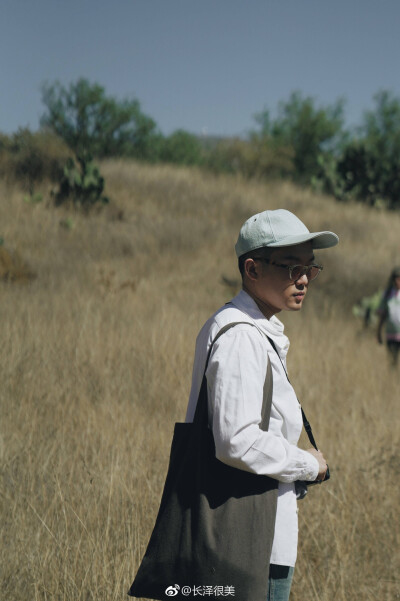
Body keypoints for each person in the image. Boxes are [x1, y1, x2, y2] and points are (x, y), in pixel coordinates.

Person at [185, 209, 339, 601]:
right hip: (248, 543)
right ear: (252, 269)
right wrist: (309, 465)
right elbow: (236, 440)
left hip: (239, 536)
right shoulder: (242, 338)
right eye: (291, 268)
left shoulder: (238, 326)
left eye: (309, 267)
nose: (304, 279)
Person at [376, 266, 400, 366]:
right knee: (393, 361)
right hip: (391, 335)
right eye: (398, 278)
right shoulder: (387, 294)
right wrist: (378, 332)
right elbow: (382, 314)